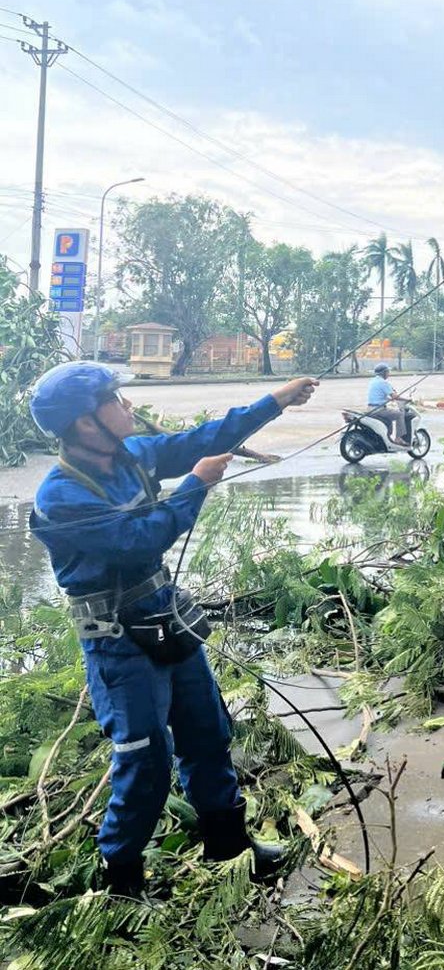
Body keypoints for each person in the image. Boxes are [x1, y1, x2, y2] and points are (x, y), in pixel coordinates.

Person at [28, 360, 318, 898]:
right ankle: (122, 884)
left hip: (162, 615)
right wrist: (195, 485)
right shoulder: (61, 496)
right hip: (116, 638)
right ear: (85, 423)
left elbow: (203, 438)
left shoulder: (132, 454)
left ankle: (228, 845)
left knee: (207, 727)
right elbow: (139, 539)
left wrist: (278, 400)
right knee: (145, 759)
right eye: (115, 400)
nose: (128, 407)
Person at [367, 362, 409, 445]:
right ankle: (398, 438)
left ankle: (388, 437)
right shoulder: (383, 382)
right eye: (387, 372)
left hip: (370, 408)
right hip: (378, 409)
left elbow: (378, 395)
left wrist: (389, 399)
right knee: (399, 414)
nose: (388, 374)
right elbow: (395, 396)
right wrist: (408, 399)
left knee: (390, 415)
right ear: (384, 373)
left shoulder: (373, 381)